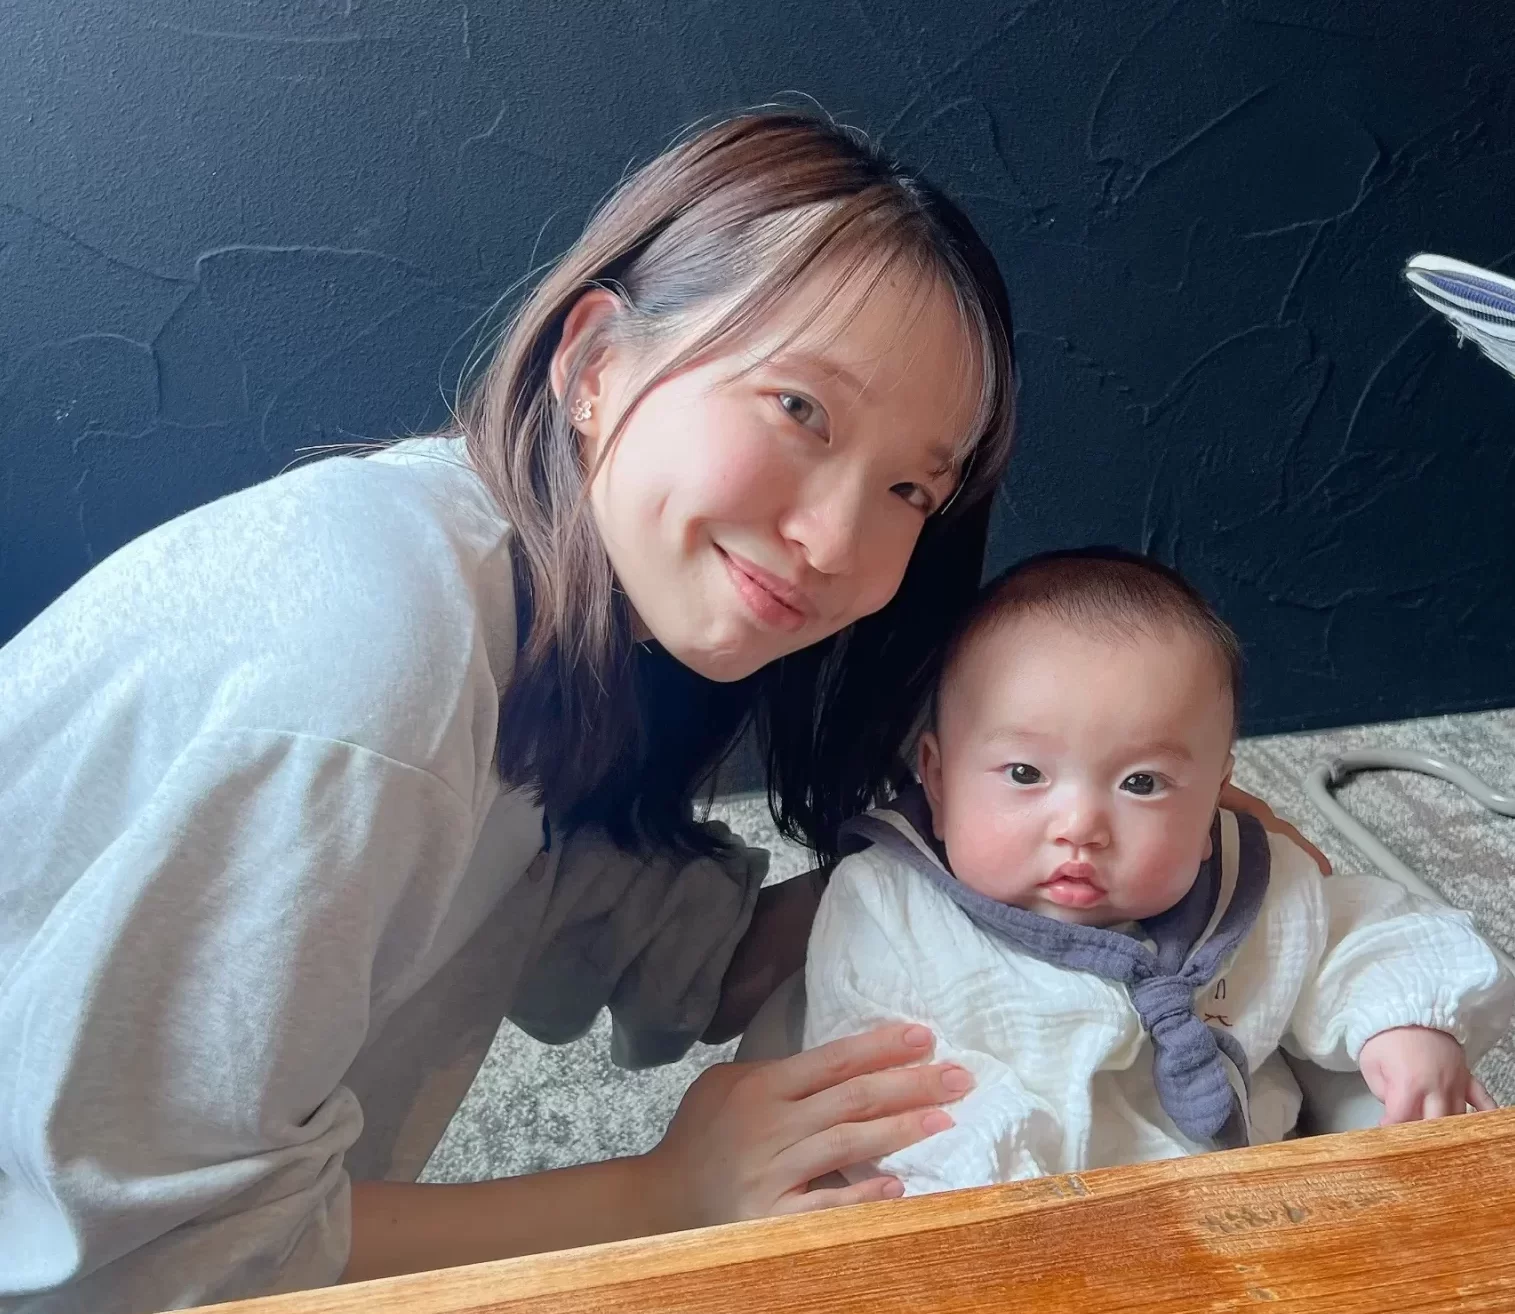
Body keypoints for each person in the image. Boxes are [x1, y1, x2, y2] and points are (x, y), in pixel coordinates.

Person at [0, 111, 1317, 1312]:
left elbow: (598, 921)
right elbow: (135, 1265)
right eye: (798, 407)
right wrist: (663, 1192)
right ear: (592, 362)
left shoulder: (549, 607)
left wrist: (1008, 861)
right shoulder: (366, 676)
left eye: (911, 491)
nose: (835, 540)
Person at [804, 548, 1513, 1196]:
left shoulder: (1250, 892)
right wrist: (1015, 1194)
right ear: (937, 778)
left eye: (1141, 783)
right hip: (1007, 1214)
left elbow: (1362, 936)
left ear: (1214, 799)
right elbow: (892, 1094)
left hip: (1246, 1203)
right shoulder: (888, 907)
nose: (1080, 826)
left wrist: (1406, 1022)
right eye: (1024, 773)